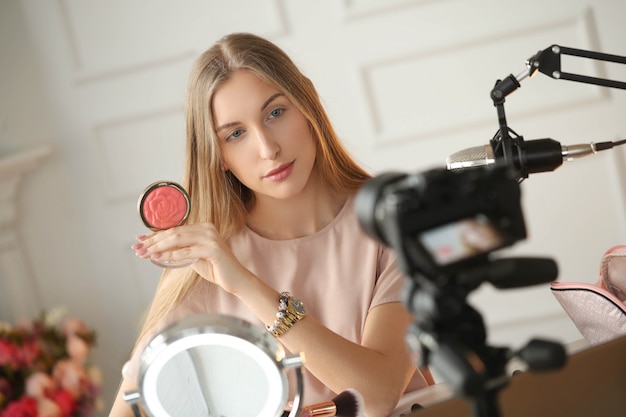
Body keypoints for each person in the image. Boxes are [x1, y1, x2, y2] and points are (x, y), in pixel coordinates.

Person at [108, 32, 432, 417]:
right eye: (236, 134)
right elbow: (128, 406)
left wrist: (245, 284)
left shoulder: (391, 220)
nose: (267, 148)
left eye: (276, 113)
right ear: (219, 156)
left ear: (306, 102)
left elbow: (376, 395)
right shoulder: (205, 264)